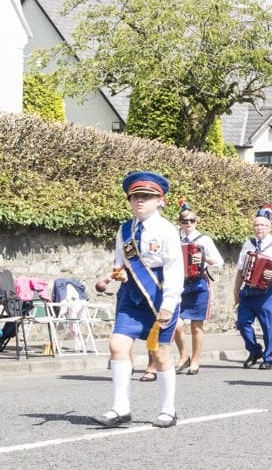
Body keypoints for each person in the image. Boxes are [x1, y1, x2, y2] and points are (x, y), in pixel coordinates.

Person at [92, 171, 183, 429]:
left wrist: (168, 305)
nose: (140, 201)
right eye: (135, 197)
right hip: (131, 297)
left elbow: (176, 269)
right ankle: (120, 408)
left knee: (159, 352)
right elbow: (119, 262)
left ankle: (168, 410)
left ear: (160, 200)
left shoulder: (167, 231)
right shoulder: (124, 230)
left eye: (146, 196)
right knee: (117, 345)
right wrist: (118, 273)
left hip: (159, 296)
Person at [234, 206, 272, 371]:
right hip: (248, 290)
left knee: (268, 327)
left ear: (269, 227)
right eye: (256, 225)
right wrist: (236, 291)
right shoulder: (248, 244)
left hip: (268, 291)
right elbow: (240, 270)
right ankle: (254, 350)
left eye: (263, 225)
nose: (259, 228)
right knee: (242, 323)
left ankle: (269, 357)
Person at [173, 200, 223, 376]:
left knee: (196, 326)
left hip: (199, 284)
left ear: (196, 222)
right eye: (185, 221)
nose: (188, 224)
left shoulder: (204, 240)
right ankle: (183, 355)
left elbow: (219, 262)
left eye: (191, 221)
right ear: (180, 222)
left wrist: (203, 258)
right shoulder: (174, 238)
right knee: (175, 324)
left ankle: (195, 360)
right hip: (179, 285)